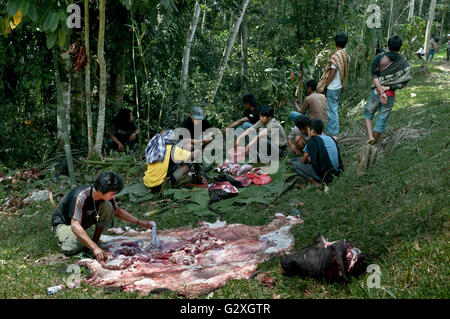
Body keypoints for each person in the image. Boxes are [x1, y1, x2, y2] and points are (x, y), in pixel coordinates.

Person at [51, 171, 153, 262]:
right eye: (112, 194)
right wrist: (94, 248)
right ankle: (84, 242)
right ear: (101, 190)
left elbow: (117, 211)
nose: (113, 196)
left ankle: (95, 240)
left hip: (83, 220)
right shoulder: (81, 196)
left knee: (108, 207)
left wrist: (140, 222)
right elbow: (75, 226)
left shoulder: (106, 197)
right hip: (65, 223)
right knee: (72, 248)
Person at [364, 35, 411, 145]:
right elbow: (404, 81)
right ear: (400, 48)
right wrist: (388, 88)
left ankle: (370, 137)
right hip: (389, 95)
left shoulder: (379, 57)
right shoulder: (403, 63)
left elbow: (374, 75)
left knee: (368, 114)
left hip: (376, 91)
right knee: (381, 119)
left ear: (388, 46)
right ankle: (373, 144)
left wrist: (380, 90)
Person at [317, 33, 350, 141]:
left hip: (332, 87)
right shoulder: (346, 55)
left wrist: (325, 84)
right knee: (333, 108)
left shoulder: (336, 56)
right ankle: (332, 131)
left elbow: (332, 73)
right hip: (339, 86)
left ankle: (333, 133)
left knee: (332, 110)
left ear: (335, 42)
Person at [290, 119, 343, 186]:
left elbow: (303, 161)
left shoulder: (312, 141)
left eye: (308, 130)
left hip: (326, 175)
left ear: (312, 131)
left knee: (297, 165)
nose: (307, 132)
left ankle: (315, 182)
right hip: (338, 172)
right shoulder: (330, 138)